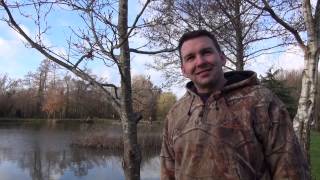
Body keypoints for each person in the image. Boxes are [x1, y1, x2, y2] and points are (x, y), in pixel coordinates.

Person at [160, 30, 310, 180]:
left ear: (222, 58)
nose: (200, 62)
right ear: (183, 70)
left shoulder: (261, 101)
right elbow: (168, 172)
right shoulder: (175, 114)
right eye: (190, 58)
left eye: (206, 52)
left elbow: (291, 170)